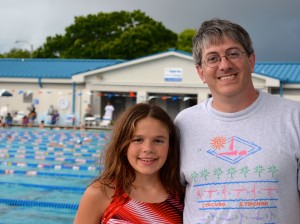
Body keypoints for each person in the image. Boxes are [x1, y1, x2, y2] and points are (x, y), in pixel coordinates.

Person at [174, 18, 300, 224]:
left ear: (251, 61)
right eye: (212, 58)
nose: (224, 65)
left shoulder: (294, 118)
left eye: (233, 53)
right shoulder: (184, 123)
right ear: (200, 72)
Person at [74, 102, 184, 224]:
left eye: (158, 141)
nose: (147, 148)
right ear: (123, 144)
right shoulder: (101, 193)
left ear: (170, 147)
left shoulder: (181, 197)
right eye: (138, 140)